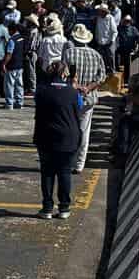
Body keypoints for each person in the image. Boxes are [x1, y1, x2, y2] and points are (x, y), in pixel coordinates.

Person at [32, 62, 81, 220]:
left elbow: (37, 103)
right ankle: (64, 207)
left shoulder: (41, 91)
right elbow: (78, 107)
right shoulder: (73, 93)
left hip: (46, 136)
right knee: (64, 172)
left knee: (47, 172)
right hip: (68, 136)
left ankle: (47, 207)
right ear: (64, 74)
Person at [67, 23, 106, 173]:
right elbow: (101, 77)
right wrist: (88, 88)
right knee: (84, 130)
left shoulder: (69, 53)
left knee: (71, 128)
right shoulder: (96, 55)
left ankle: (70, 160)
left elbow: (65, 75)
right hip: (89, 97)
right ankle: (79, 163)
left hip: (72, 96)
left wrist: (77, 86)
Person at [4, 21, 27, 110]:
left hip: (12, 66)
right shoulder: (21, 38)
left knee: (9, 85)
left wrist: (4, 64)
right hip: (20, 65)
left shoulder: (12, 40)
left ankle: (9, 103)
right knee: (19, 85)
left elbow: (9, 54)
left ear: (12, 30)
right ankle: (19, 102)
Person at [93, 4, 117, 73]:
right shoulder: (98, 18)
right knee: (101, 57)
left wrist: (112, 41)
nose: (98, 12)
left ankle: (112, 71)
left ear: (104, 11)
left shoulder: (110, 18)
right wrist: (97, 39)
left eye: (100, 11)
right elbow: (97, 30)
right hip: (100, 41)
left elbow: (114, 31)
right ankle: (103, 72)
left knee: (111, 57)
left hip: (109, 42)